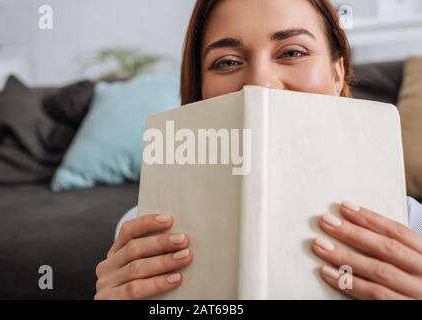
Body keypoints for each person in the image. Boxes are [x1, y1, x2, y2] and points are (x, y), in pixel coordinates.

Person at [94, 0, 422, 300]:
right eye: (226, 62)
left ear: (337, 74)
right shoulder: (143, 231)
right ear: (201, 91)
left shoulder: (413, 228)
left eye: (292, 52)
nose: (260, 83)